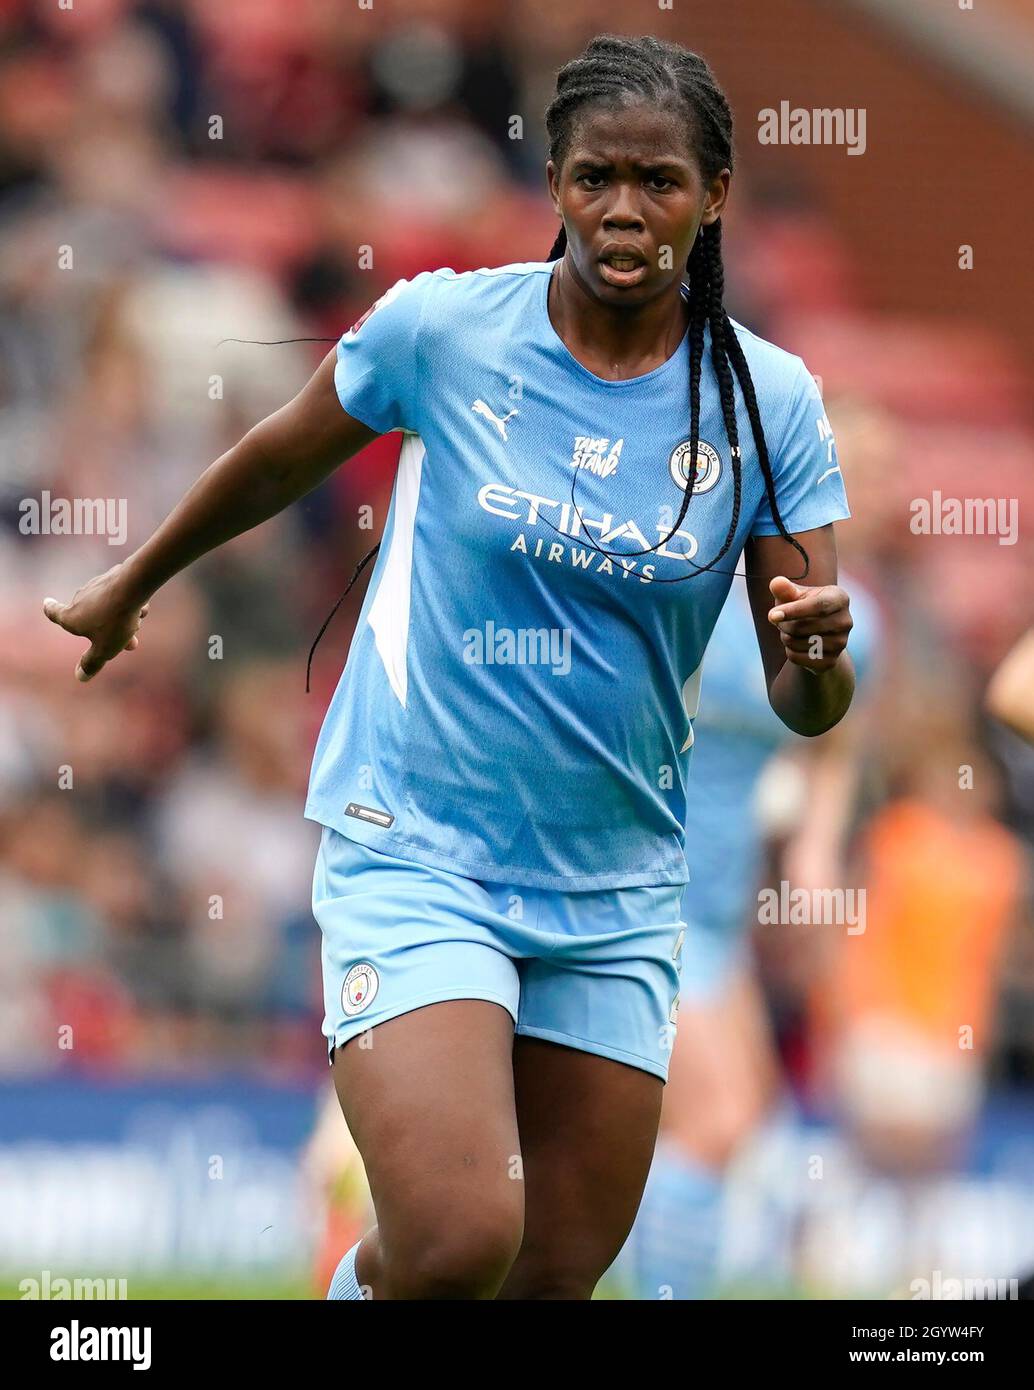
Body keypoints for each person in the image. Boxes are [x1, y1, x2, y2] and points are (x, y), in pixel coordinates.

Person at [42, 34, 855, 1301]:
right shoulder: (442, 329)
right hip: (418, 848)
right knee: (458, 1236)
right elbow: (279, 451)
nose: (624, 211)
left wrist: (818, 662)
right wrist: (132, 583)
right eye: (596, 178)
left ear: (716, 196)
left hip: (617, 887)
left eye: (658, 181)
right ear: (554, 182)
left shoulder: (766, 403)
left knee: (553, 1272)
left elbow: (805, 697)